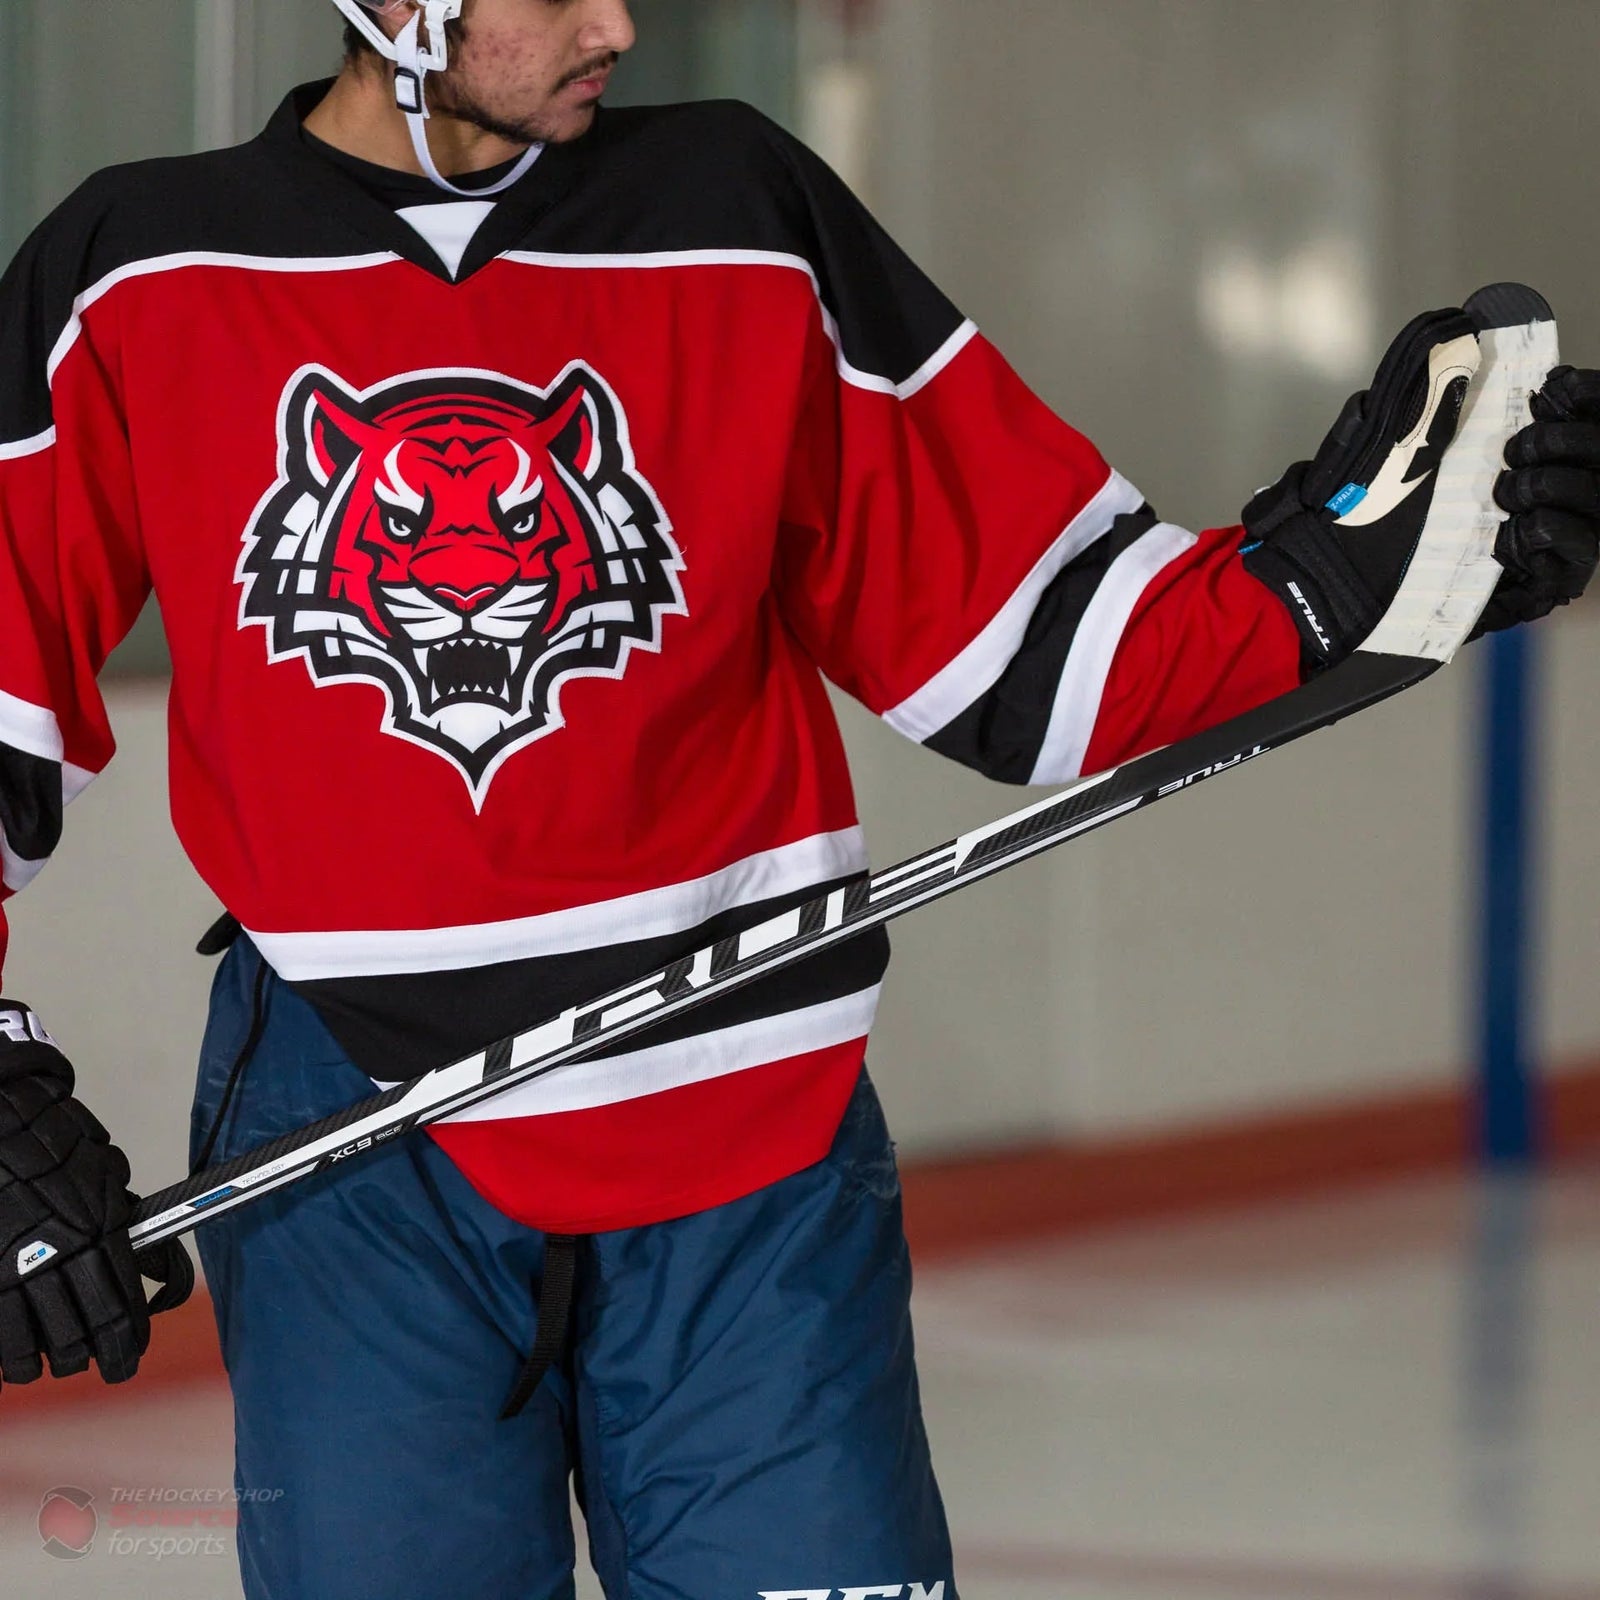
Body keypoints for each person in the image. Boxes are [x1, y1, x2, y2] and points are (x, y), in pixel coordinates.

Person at [0, 2, 1594, 1596]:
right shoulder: (136, 268)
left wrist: (1356, 580)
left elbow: (1030, 648)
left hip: (749, 1131)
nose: (614, 21)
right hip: (351, 1137)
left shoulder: (738, 212)